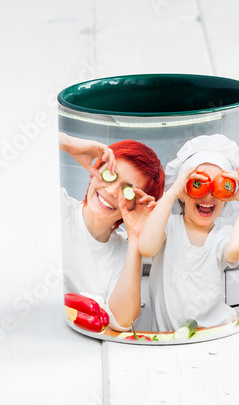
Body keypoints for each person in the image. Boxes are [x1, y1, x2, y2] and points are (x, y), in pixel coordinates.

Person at [139, 134, 239, 332]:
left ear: (226, 197)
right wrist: (173, 191)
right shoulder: (169, 226)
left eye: (217, 186)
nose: (208, 194)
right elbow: (146, 247)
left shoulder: (221, 236)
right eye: (198, 184)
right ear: (182, 194)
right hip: (169, 338)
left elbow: (235, 250)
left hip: (216, 331)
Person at [59, 132, 165, 331]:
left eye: (128, 190)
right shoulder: (59, 207)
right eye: (111, 175)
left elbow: (121, 321)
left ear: (137, 205)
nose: (111, 191)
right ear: (95, 169)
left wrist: (135, 237)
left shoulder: (123, 253)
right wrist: (69, 144)